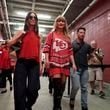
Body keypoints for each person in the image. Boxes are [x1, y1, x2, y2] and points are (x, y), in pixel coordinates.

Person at [6, 11, 40, 110]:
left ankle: (27, 106)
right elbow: (9, 45)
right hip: (21, 63)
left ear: (37, 20)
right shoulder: (21, 32)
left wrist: (41, 66)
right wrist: (18, 37)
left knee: (33, 90)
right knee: (19, 91)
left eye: (35, 17)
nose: (33, 19)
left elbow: (39, 51)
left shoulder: (39, 35)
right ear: (27, 19)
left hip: (34, 64)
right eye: (30, 17)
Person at [43, 15, 76, 110]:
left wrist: (73, 63)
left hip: (65, 63)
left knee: (62, 86)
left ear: (65, 24)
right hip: (55, 62)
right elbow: (47, 48)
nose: (61, 23)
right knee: (57, 86)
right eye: (59, 21)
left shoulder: (68, 37)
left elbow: (70, 52)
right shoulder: (51, 34)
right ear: (56, 23)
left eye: (63, 21)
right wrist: (46, 60)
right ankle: (57, 107)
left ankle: (58, 103)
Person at [70, 27, 91, 110]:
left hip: (85, 69)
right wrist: (73, 64)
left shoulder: (87, 46)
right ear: (77, 33)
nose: (82, 34)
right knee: (76, 86)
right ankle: (72, 98)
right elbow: (70, 56)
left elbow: (90, 55)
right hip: (75, 68)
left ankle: (84, 105)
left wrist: (87, 61)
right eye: (81, 32)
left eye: (83, 33)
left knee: (84, 88)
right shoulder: (72, 44)